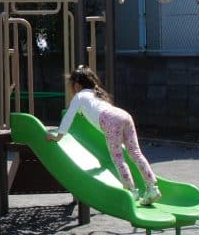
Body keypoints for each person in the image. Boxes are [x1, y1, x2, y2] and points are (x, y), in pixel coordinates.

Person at [46, 66, 162, 205]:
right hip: (124, 115)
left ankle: (131, 192)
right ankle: (152, 188)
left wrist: (58, 136)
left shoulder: (80, 96)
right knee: (136, 153)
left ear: (77, 85)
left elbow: (68, 116)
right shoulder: (98, 94)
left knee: (118, 158)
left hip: (110, 121)